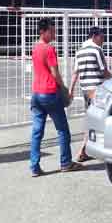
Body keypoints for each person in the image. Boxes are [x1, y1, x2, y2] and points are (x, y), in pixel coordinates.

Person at [29, 18, 82, 177]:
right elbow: (55, 73)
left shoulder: (35, 48)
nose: (54, 33)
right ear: (42, 32)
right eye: (51, 31)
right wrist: (65, 89)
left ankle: (34, 167)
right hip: (50, 93)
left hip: (36, 94)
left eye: (54, 30)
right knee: (63, 130)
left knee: (37, 132)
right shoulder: (49, 49)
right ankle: (66, 163)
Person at [69, 26, 112, 162]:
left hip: (85, 90)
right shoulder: (96, 50)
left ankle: (86, 149)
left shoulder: (79, 51)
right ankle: (84, 150)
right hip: (97, 90)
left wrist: (70, 90)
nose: (103, 40)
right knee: (103, 118)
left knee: (90, 119)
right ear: (94, 36)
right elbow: (103, 70)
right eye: (102, 37)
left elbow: (75, 73)